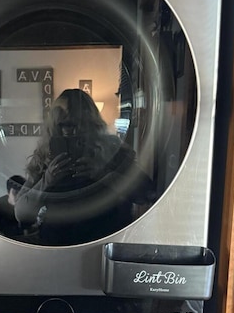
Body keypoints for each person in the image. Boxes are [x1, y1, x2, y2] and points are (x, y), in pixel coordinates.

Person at [14, 89, 152, 244]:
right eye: (63, 125)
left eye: (77, 125)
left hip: (106, 242)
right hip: (58, 247)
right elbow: (21, 215)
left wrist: (103, 173)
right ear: (55, 126)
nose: (70, 132)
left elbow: (145, 194)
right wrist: (47, 181)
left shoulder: (112, 150)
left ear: (89, 124)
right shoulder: (47, 155)